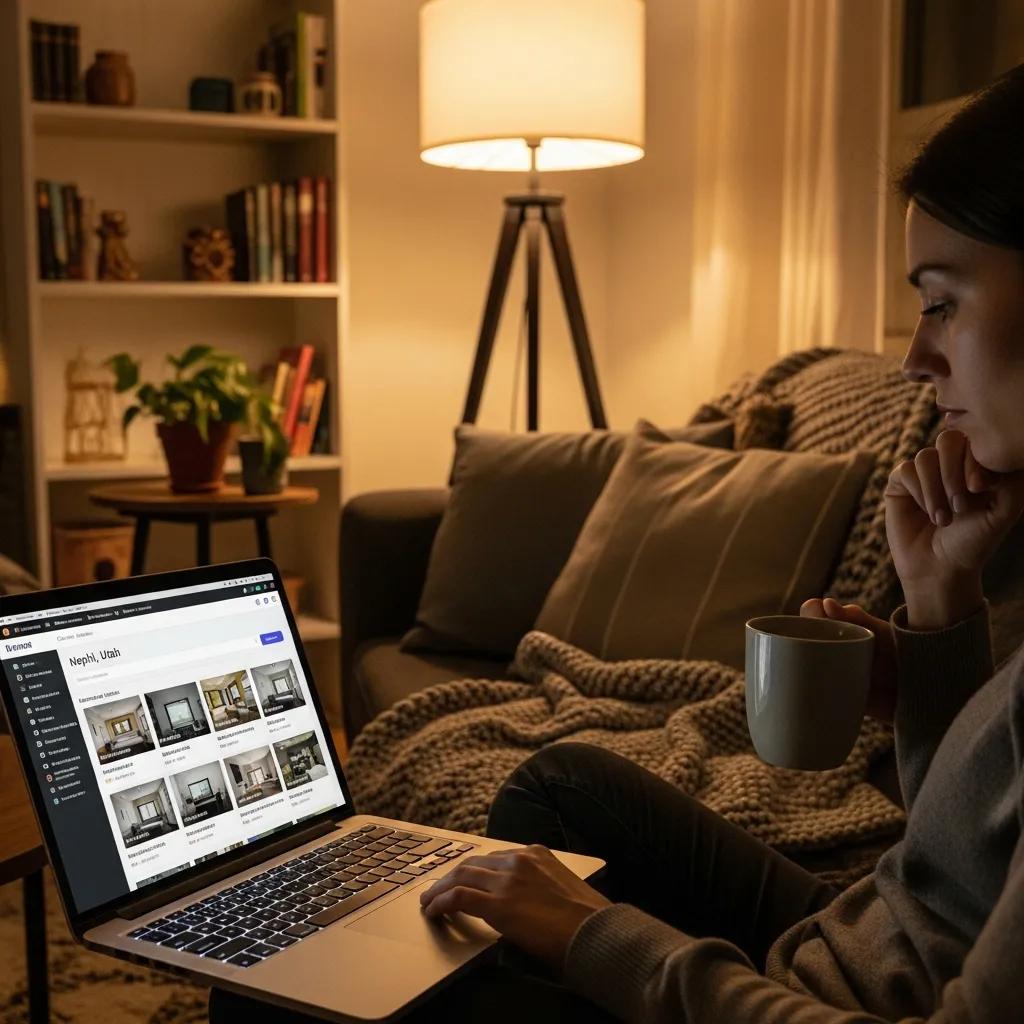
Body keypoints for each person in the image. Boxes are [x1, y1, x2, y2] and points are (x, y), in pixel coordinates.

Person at [210, 61, 1024, 1024]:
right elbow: (952, 866)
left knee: (281, 994)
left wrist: (592, 936)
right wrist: (937, 618)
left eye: (940, 300)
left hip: (835, 992)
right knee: (565, 783)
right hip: (865, 934)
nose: (914, 357)